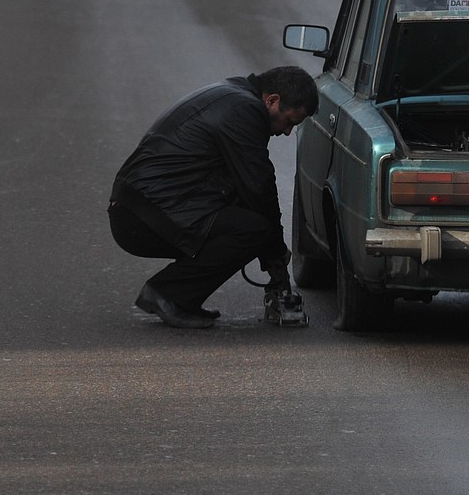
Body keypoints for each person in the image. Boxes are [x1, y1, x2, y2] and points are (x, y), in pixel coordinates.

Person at [108, 67, 319, 329]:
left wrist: (271, 255)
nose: (287, 132)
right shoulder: (245, 112)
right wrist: (274, 249)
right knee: (253, 231)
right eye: (289, 121)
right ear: (272, 100)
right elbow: (259, 187)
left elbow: (246, 188)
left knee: (248, 221)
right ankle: (169, 295)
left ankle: (175, 294)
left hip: (142, 207)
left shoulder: (234, 94)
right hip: (143, 216)